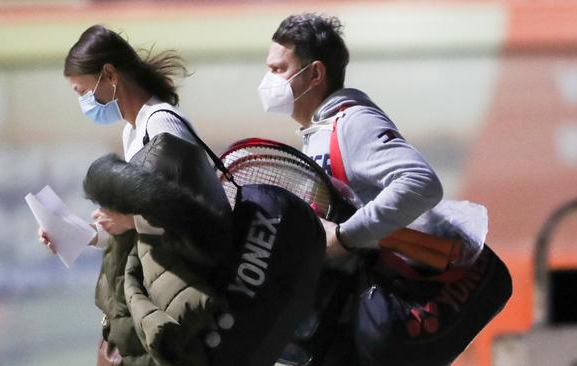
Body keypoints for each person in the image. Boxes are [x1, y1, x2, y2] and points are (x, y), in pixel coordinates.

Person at [258, 13, 512, 366]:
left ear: (315, 74)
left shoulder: (352, 123)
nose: (267, 81)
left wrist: (347, 237)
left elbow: (420, 183)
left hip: (381, 303)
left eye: (278, 69)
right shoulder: (321, 131)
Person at [38, 25, 233, 366]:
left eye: (82, 91)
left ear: (109, 75)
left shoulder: (162, 126)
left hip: (186, 297)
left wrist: (130, 219)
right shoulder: (134, 130)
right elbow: (141, 223)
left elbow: (193, 218)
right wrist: (79, 237)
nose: (84, 102)